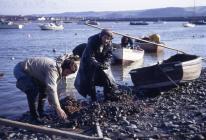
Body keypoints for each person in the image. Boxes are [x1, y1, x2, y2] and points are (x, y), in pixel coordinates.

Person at [13, 57, 77, 123]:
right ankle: (34, 117)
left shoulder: (59, 69)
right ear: (63, 67)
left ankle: (41, 112)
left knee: (44, 89)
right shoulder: (53, 69)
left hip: (34, 74)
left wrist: (51, 98)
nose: (66, 75)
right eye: (67, 72)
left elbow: (52, 86)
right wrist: (58, 108)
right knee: (33, 90)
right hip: (21, 70)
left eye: (69, 74)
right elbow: (52, 88)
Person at [74, 29, 118, 101]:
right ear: (101, 36)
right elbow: (90, 56)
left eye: (109, 39)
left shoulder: (109, 43)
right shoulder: (92, 41)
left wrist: (106, 63)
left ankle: (107, 96)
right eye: (105, 38)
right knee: (90, 80)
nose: (106, 40)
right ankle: (93, 98)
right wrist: (97, 64)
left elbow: (109, 55)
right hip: (88, 61)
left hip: (101, 61)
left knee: (107, 78)